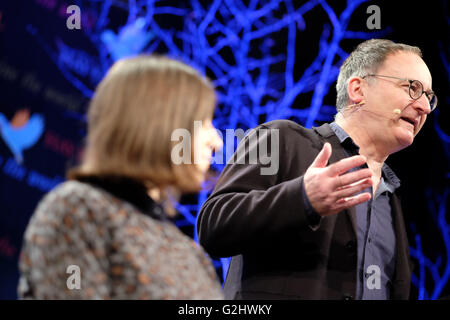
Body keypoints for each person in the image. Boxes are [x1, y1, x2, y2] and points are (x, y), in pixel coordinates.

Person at [197, 39, 437, 300]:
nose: (424, 106)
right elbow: (214, 226)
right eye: (411, 88)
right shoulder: (281, 139)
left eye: (428, 96)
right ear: (359, 89)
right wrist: (302, 198)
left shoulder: (391, 200)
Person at [18, 55, 224, 299]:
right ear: (158, 124)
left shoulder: (190, 252)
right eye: (204, 122)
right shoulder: (79, 211)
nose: (217, 141)